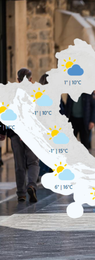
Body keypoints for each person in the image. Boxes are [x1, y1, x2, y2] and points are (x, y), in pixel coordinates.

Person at [0, 68, 40, 202]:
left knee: (19, 164)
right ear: (31, 79)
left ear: (17, 80)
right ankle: (31, 185)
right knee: (33, 162)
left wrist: (2, 131)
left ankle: (21, 193)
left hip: (16, 133)